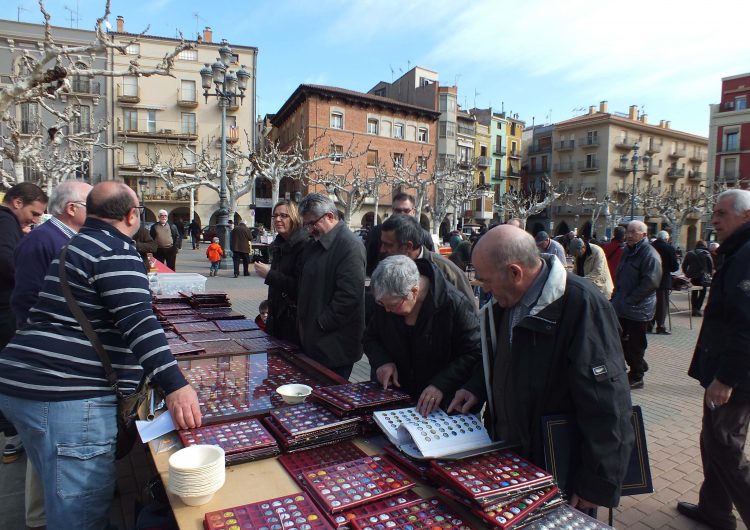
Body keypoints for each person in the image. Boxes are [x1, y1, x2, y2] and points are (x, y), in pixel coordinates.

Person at [0, 181, 201, 529]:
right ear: (131, 215)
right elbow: (139, 323)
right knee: (80, 515)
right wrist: (176, 384)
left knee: (59, 496)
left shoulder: (75, 245)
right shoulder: (114, 250)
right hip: (68, 397)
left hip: (28, 386)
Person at [448, 225, 634, 510]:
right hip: (512, 454)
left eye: (486, 280)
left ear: (514, 272)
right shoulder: (506, 302)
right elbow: (504, 358)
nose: (483, 288)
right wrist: (477, 387)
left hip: (559, 467)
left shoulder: (582, 305)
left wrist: (595, 483)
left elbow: (607, 403)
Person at [9, 179, 91, 530]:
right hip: (47, 362)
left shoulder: (61, 239)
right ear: (72, 208)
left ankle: (42, 514)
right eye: (92, 205)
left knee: (50, 446)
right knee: (48, 445)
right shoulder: (44, 241)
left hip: (55, 358)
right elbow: (25, 300)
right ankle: (41, 518)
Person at [677, 189, 750, 529]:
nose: (714, 220)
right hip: (727, 370)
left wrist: (726, 378)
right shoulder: (737, 251)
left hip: (734, 376)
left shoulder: (747, 254)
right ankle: (715, 510)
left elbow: (745, 323)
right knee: (714, 440)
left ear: (746, 216)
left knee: (724, 446)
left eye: (722, 213)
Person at [364, 255, 480, 416]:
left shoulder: (454, 303)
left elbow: (474, 352)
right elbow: (370, 337)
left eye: (392, 305)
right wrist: (382, 361)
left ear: (414, 292)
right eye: (381, 304)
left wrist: (441, 384)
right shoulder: (387, 299)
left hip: (442, 404)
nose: (387, 310)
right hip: (397, 397)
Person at [0, 182, 48, 464]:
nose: (35, 219)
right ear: (17, 202)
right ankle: (12, 434)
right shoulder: (5, 221)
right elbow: (6, 261)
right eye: (34, 212)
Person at [297, 193, 365, 380]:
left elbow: (349, 296)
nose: (310, 229)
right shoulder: (316, 243)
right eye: (307, 225)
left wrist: (320, 323)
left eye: (313, 223)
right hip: (316, 340)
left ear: (330, 216)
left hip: (334, 344)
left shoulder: (350, 245)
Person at [611, 220, 662, 389]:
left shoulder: (649, 254)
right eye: (628, 232)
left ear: (644, 235)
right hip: (623, 305)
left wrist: (630, 300)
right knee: (619, 339)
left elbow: (651, 282)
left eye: (634, 232)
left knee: (635, 343)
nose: (629, 235)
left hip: (639, 309)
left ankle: (637, 375)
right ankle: (638, 363)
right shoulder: (628, 250)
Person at [378, 214, 475, 302]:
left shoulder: (446, 271)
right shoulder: (384, 266)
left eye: (388, 245)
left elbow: (470, 313)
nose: (382, 249)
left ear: (408, 246)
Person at [253, 200, 309, 343]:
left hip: (294, 325)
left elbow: (302, 287)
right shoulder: (279, 244)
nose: (278, 219)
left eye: (284, 215)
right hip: (277, 319)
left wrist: (269, 274)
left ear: (295, 218)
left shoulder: (304, 245)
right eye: (275, 216)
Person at [365, 192, 434, 276]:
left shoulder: (424, 236)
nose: (402, 214)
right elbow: (368, 262)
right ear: (392, 210)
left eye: (406, 210)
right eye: (398, 210)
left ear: (413, 212)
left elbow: (430, 263)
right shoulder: (376, 233)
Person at [649, 230, 679, 334]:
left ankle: (649, 324)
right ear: (666, 239)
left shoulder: (650, 247)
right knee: (662, 304)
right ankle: (660, 326)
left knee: (650, 302)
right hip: (663, 279)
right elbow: (674, 267)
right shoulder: (669, 248)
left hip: (649, 279)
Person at [681, 240, 714, 317]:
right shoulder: (707, 254)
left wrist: (687, 274)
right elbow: (711, 266)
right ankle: (698, 309)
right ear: (704, 245)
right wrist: (710, 274)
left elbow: (684, 266)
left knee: (694, 292)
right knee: (703, 293)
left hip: (693, 277)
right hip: (703, 277)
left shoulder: (690, 253)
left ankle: (694, 309)